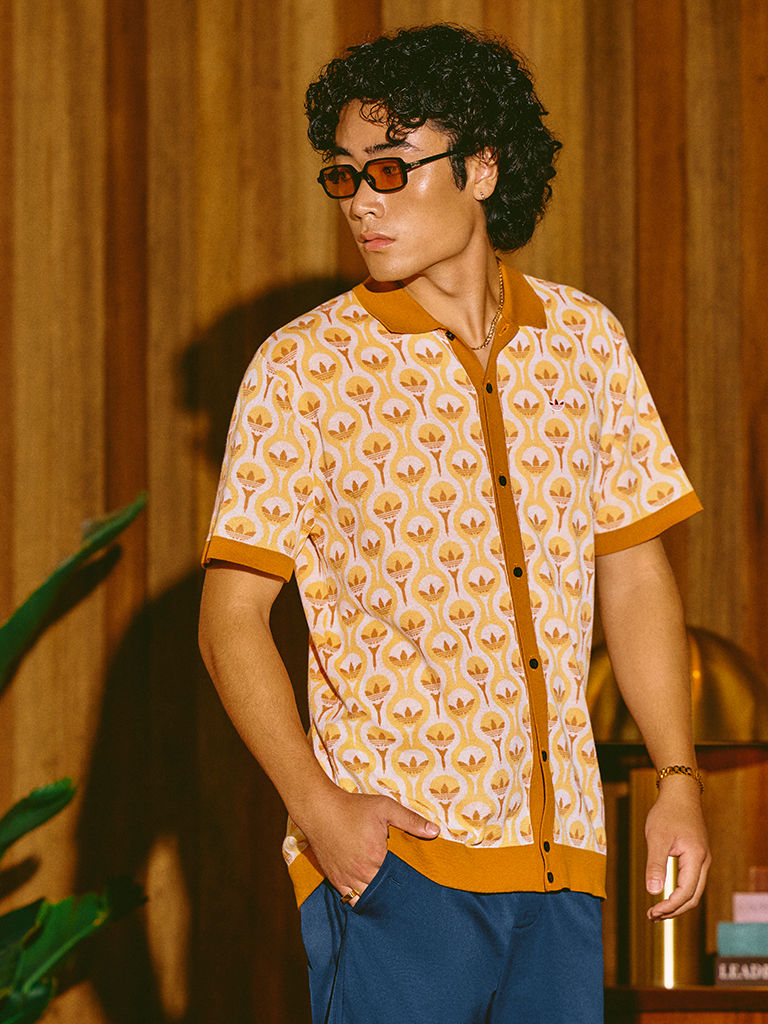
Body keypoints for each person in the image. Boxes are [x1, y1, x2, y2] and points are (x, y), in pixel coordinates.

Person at [198, 23, 710, 1023]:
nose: (364, 202)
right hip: (397, 868)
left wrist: (676, 778)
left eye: (391, 168)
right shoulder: (305, 368)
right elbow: (229, 621)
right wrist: (319, 811)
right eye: (344, 176)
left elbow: (636, 577)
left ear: (481, 168)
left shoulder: (586, 343)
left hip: (564, 869)